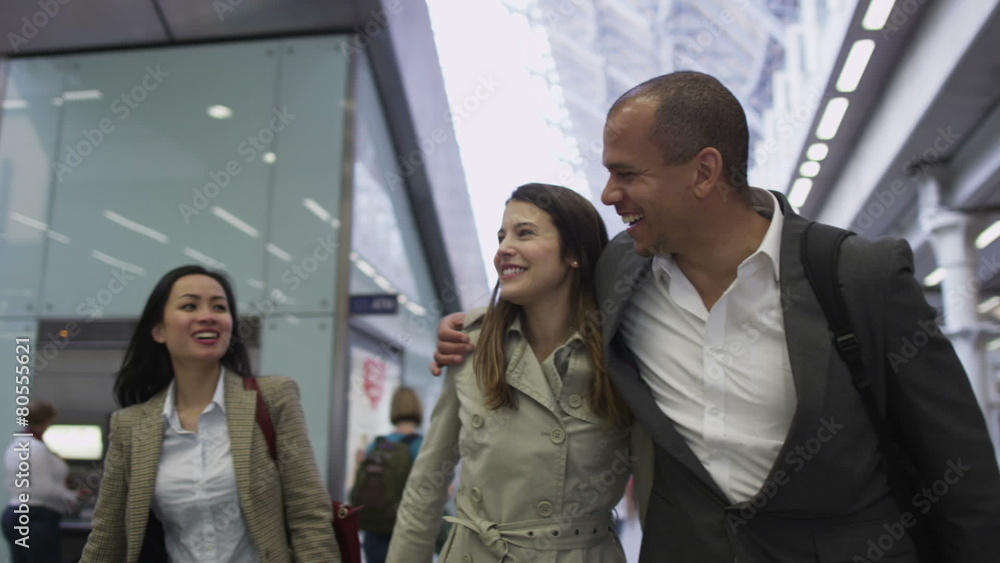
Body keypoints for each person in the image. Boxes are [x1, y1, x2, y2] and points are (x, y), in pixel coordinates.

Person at [433, 71, 1000, 561]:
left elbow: (961, 472)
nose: (609, 195)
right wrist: (471, 332)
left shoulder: (856, 276)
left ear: (704, 172)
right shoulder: (617, 275)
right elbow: (541, 302)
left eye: (627, 174)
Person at [387, 183, 633, 563]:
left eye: (525, 233)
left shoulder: (621, 351)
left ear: (573, 253)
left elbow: (654, 491)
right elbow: (427, 485)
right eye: (501, 236)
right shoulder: (471, 344)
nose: (503, 249)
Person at [80, 264, 338, 562]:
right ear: (158, 331)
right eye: (190, 305)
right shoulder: (131, 426)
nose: (208, 316)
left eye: (219, 307)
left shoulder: (273, 399)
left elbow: (309, 515)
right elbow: (107, 537)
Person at [2, 400, 81, 562]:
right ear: (47, 420)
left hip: (15, 513)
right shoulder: (37, 448)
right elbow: (42, 488)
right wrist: (72, 496)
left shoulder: (16, 445)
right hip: (36, 516)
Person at [353, 386, 424, 563]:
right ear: (418, 408)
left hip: (373, 530)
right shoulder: (421, 446)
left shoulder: (377, 444)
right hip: (407, 532)